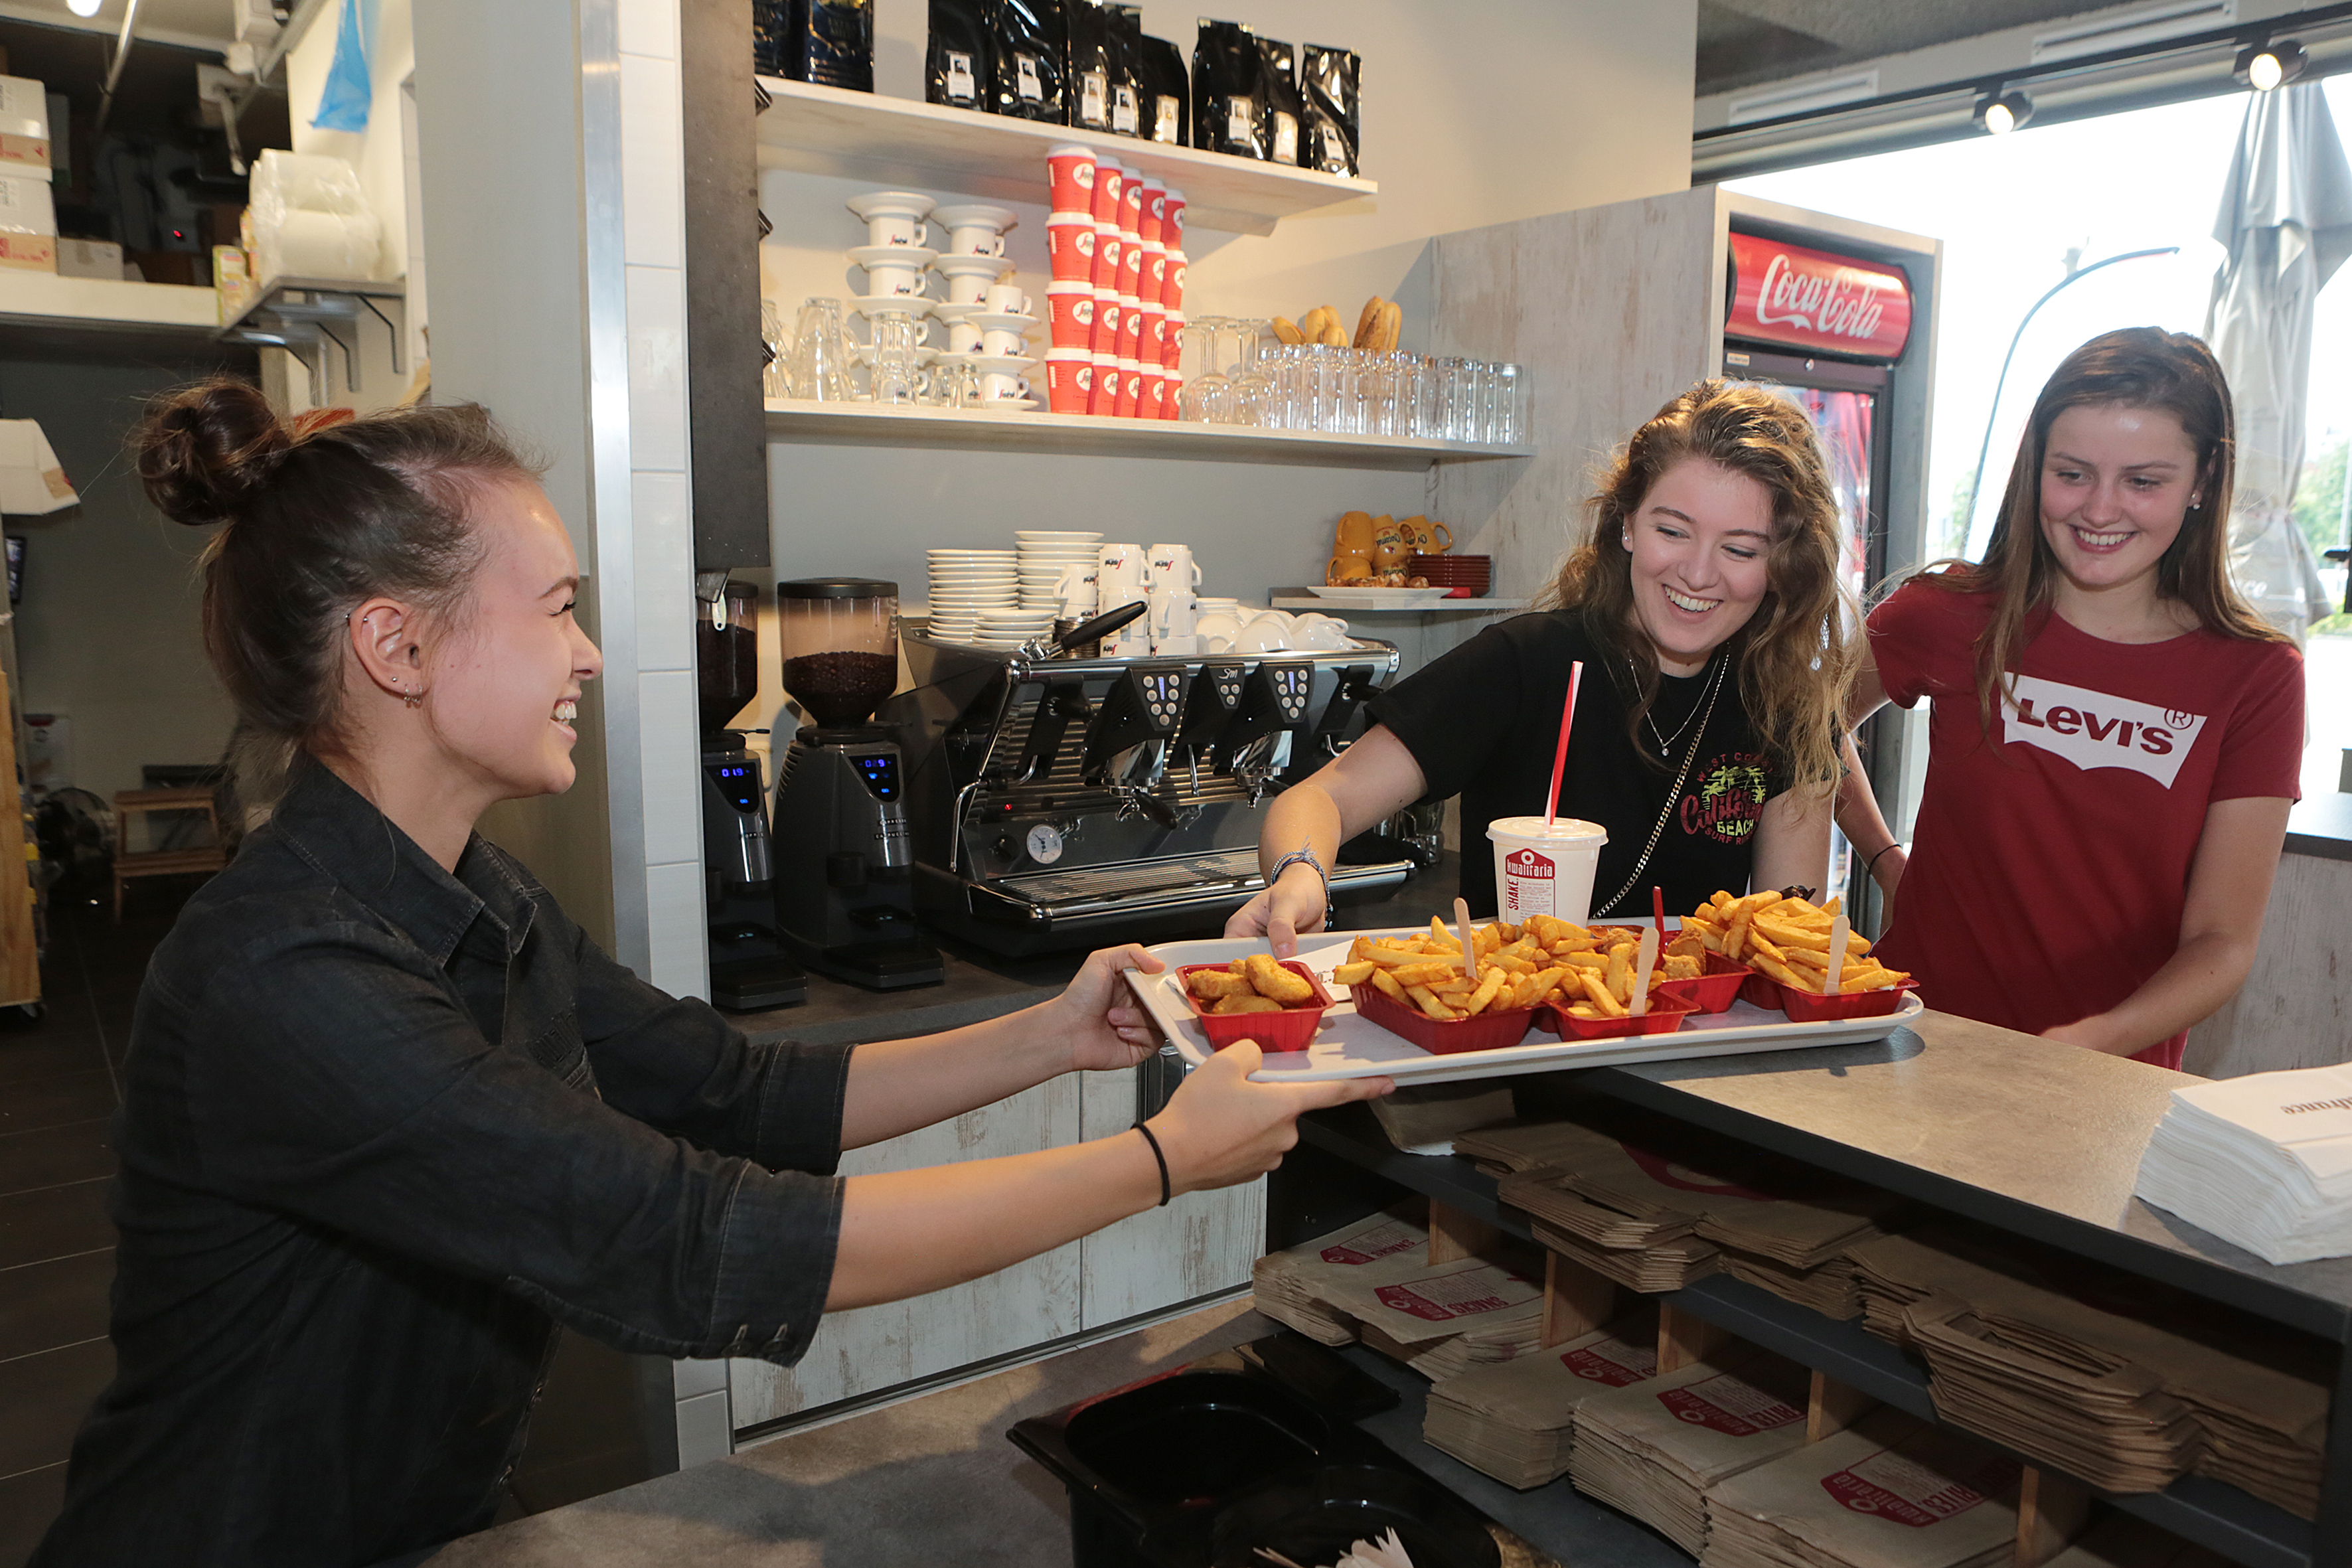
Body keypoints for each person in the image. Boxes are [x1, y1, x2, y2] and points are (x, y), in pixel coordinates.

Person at [33, 382, 1389, 1568]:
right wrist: (1158, 1159)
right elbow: (697, 1241)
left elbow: (733, 1090)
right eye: (556, 610)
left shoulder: (478, 896)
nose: (587, 652)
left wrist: (1050, 1033)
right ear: (398, 647)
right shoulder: (288, 975)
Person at [1229, 380, 1858, 953]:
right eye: (1672, 531)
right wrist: (1299, 875)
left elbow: (1788, 935)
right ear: (1627, 525)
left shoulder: (1785, 704)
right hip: (1513, 1027)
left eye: (1739, 549)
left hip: (1694, 1039)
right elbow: (1321, 798)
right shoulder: (1524, 662)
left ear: (1781, 564)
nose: (1697, 573)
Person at [1836, 328, 2304, 1069]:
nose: (2100, 509)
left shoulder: (2257, 675)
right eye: (2073, 474)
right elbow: (1799, 725)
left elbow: (2221, 941)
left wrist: (2092, 1043)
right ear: (2036, 468)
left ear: (2203, 480)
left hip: (2106, 1086)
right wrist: (1886, 858)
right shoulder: (1945, 614)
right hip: (1913, 1049)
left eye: (2143, 481)